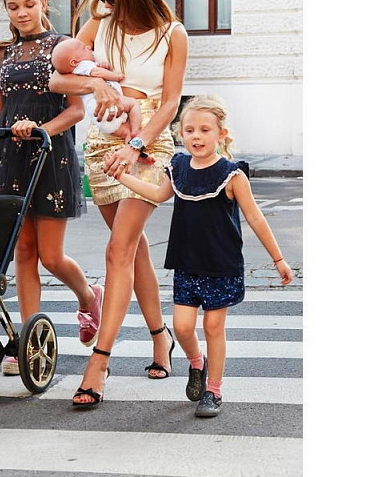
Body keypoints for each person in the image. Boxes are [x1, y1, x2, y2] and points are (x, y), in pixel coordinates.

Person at [48, 0, 188, 407]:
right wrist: (95, 84)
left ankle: (99, 362)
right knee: (133, 247)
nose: (104, 2)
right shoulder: (99, 25)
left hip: (147, 143)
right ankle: (160, 335)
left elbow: (171, 102)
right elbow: (56, 80)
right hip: (101, 145)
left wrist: (137, 144)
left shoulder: (172, 33)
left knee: (118, 249)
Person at [106, 94, 293, 416]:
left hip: (221, 265)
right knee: (181, 327)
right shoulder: (178, 167)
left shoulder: (232, 175)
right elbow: (158, 194)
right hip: (187, 263)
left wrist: (278, 259)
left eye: (205, 130)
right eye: (190, 130)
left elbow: (255, 218)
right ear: (181, 134)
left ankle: (213, 391)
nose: (197, 136)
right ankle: (197, 363)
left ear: (221, 134)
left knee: (213, 328)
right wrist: (122, 176)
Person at [0, 0, 103, 375]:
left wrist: (40, 130)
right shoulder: (2, 54)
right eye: (13, 6)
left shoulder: (63, 47)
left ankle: (89, 297)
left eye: (29, 4)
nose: (22, 13)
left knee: (51, 256)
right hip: (8, 158)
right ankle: (27, 341)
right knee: (22, 252)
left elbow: (76, 110)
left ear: (43, 3)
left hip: (50, 157)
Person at [51, 37, 143, 142]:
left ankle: (130, 139)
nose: (88, 47)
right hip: (108, 106)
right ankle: (136, 130)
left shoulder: (77, 72)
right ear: (74, 62)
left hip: (100, 118)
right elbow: (98, 73)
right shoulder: (83, 65)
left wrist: (104, 67)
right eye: (84, 48)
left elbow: (98, 72)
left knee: (125, 132)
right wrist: (116, 76)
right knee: (133, 104)